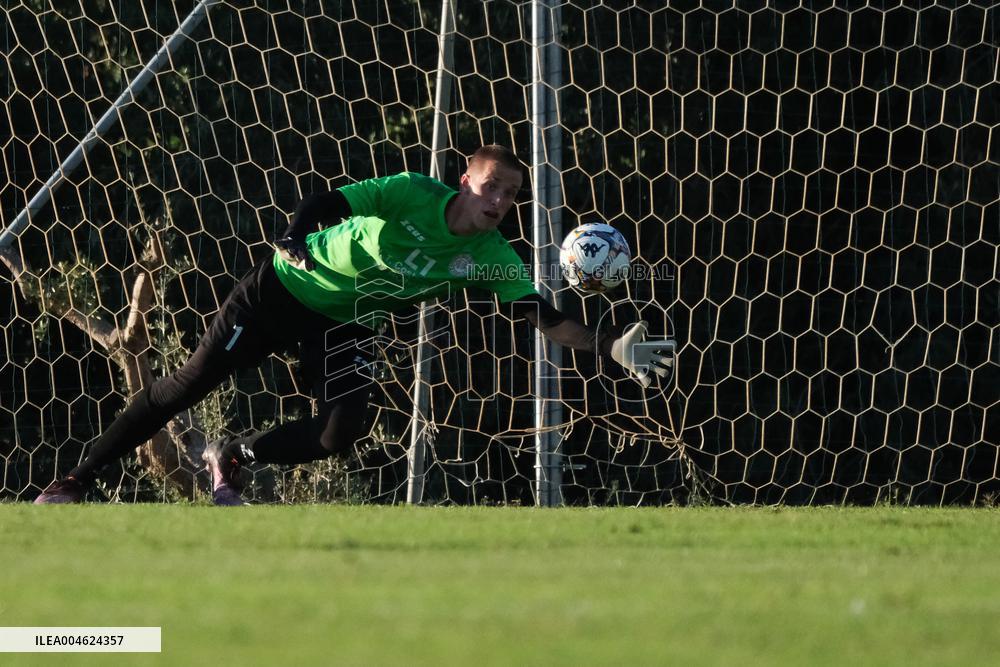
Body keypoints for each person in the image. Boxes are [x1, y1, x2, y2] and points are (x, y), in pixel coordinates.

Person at [34, 145, 671, 505]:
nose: (500, 203)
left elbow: (541, 316)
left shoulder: (489, 257)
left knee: (343, 431)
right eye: (492, 188)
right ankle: (74, 482)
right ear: (465, 181)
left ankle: (233, 457)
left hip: (349, 323)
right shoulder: (409, 194)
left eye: (510, 195)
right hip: (283, 290)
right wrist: (291, 236)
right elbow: (332, 202)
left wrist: (607, 345)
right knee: (188, 384)